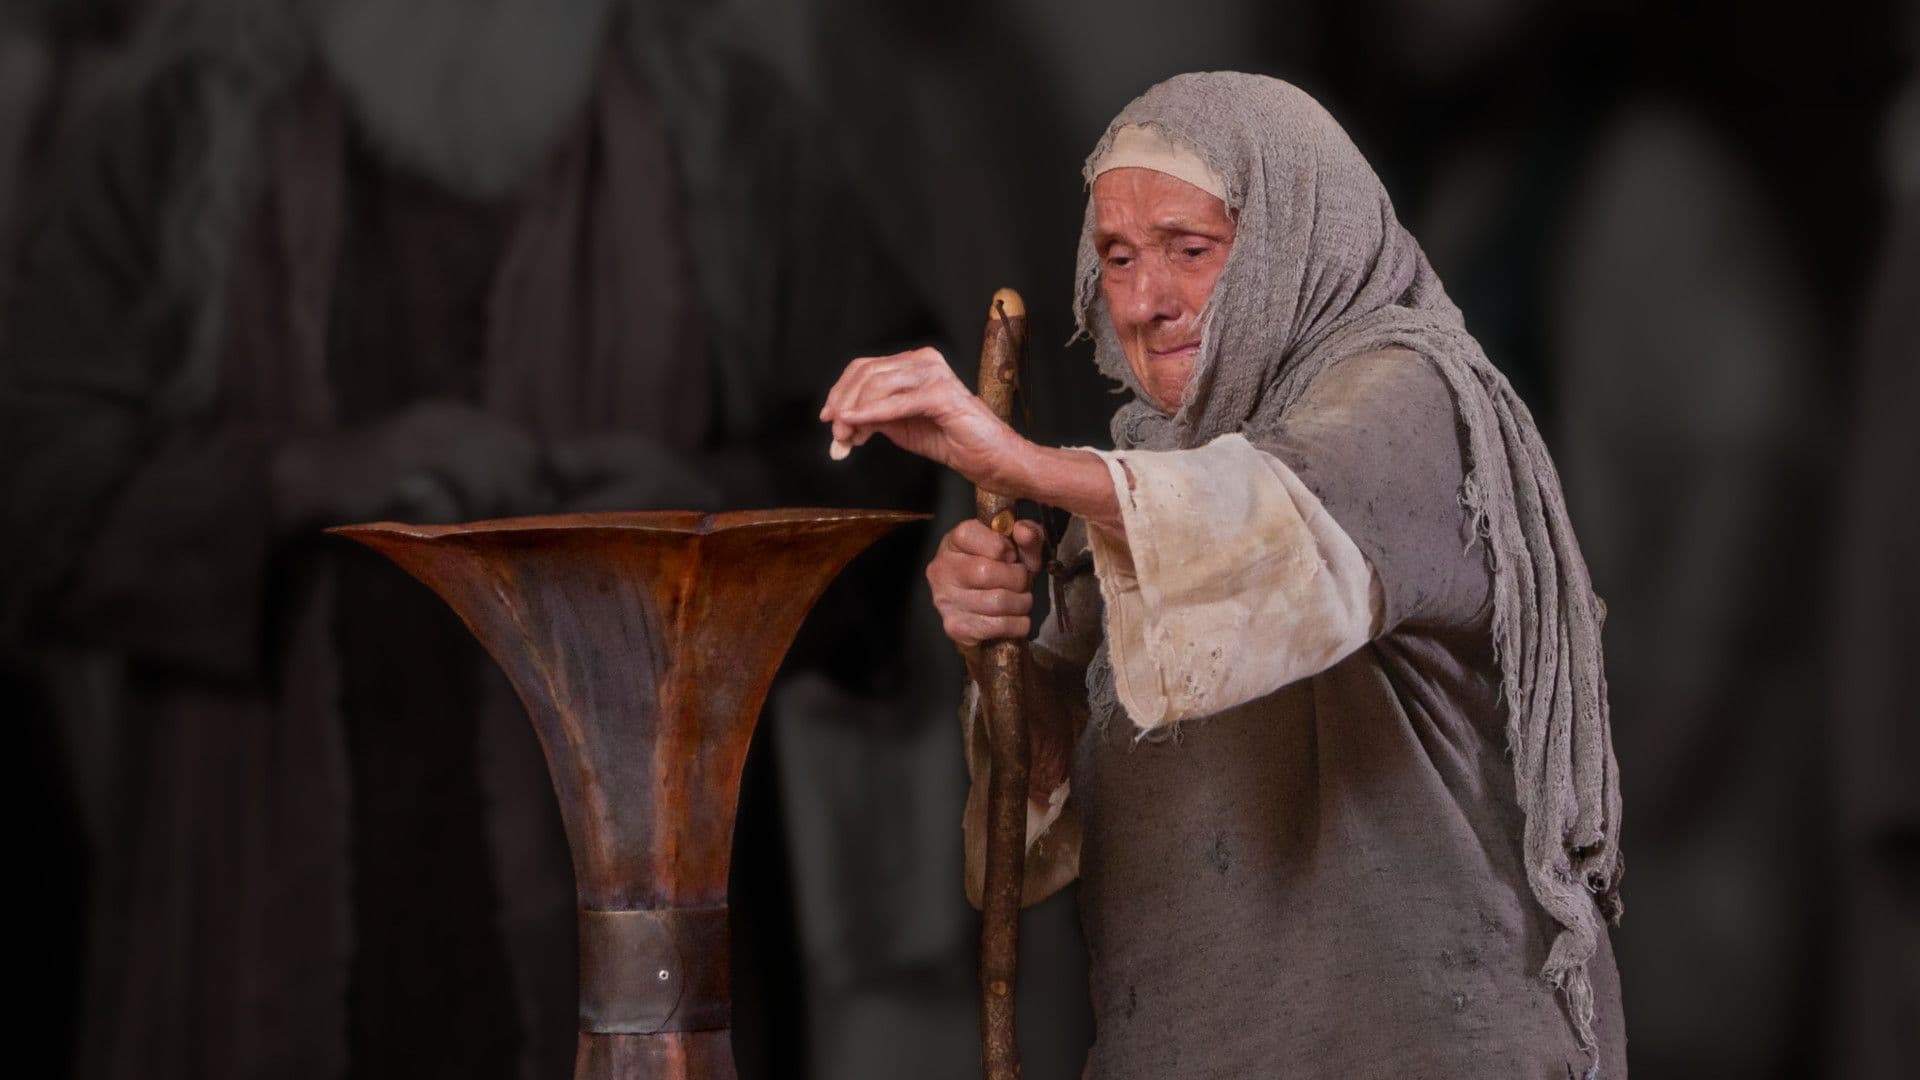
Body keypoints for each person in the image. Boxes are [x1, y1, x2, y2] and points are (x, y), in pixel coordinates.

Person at [0, 2, 933, 1077]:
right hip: (253, 911)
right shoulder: (184, 127)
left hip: (641, 915)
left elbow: (900, 437)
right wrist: (304, 475)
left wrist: (703, 509)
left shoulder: (725, 128)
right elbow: (32, 488)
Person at [821, 72, 1628, 1077]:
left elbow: (1268, 520)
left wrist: (1019, 464)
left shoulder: (1416, 396)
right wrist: (997, 647)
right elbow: (1044, 794)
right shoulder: (1134, 488)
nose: (1148, 301)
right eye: (1117, 257)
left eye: (1190, 251)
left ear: (1296, 236)